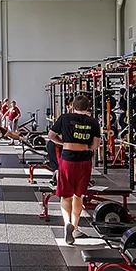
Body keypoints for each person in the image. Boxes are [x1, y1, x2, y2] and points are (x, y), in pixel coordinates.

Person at [47, 94, 101, 244]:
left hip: (68, 160)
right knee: (79, 196)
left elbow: (51, 135)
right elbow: (95, 145)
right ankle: (75, 228)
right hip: (84, 161)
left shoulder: (65, 118)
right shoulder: (93, 122)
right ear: (87, 107)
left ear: (73, 106)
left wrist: (62, 143)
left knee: (66, 196)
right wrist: (87, 147)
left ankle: (67, 223)